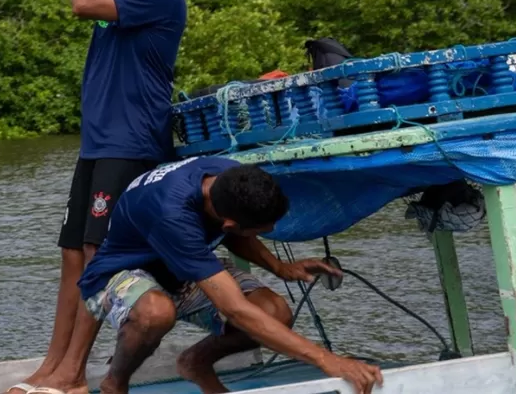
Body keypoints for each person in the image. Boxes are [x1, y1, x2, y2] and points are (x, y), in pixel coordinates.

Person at [0, 0, 188, 394]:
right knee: (72, 253)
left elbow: (83, 3)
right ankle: (52, 365)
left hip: (132, 142)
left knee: (96, 253)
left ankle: (73, 375)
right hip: (99, 143)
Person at [31, 156, 383, 394]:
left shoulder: (229, 177)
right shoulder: (173, 214)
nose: (265, 233)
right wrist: (327, 360)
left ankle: (196, 362)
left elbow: (239, 235)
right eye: (260, 229)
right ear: (228, 223)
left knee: (275, 312)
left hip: (183, 267)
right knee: (156, 313)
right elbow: (235, 310)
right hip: (117, 273)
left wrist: (280, 267)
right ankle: (115, 383)